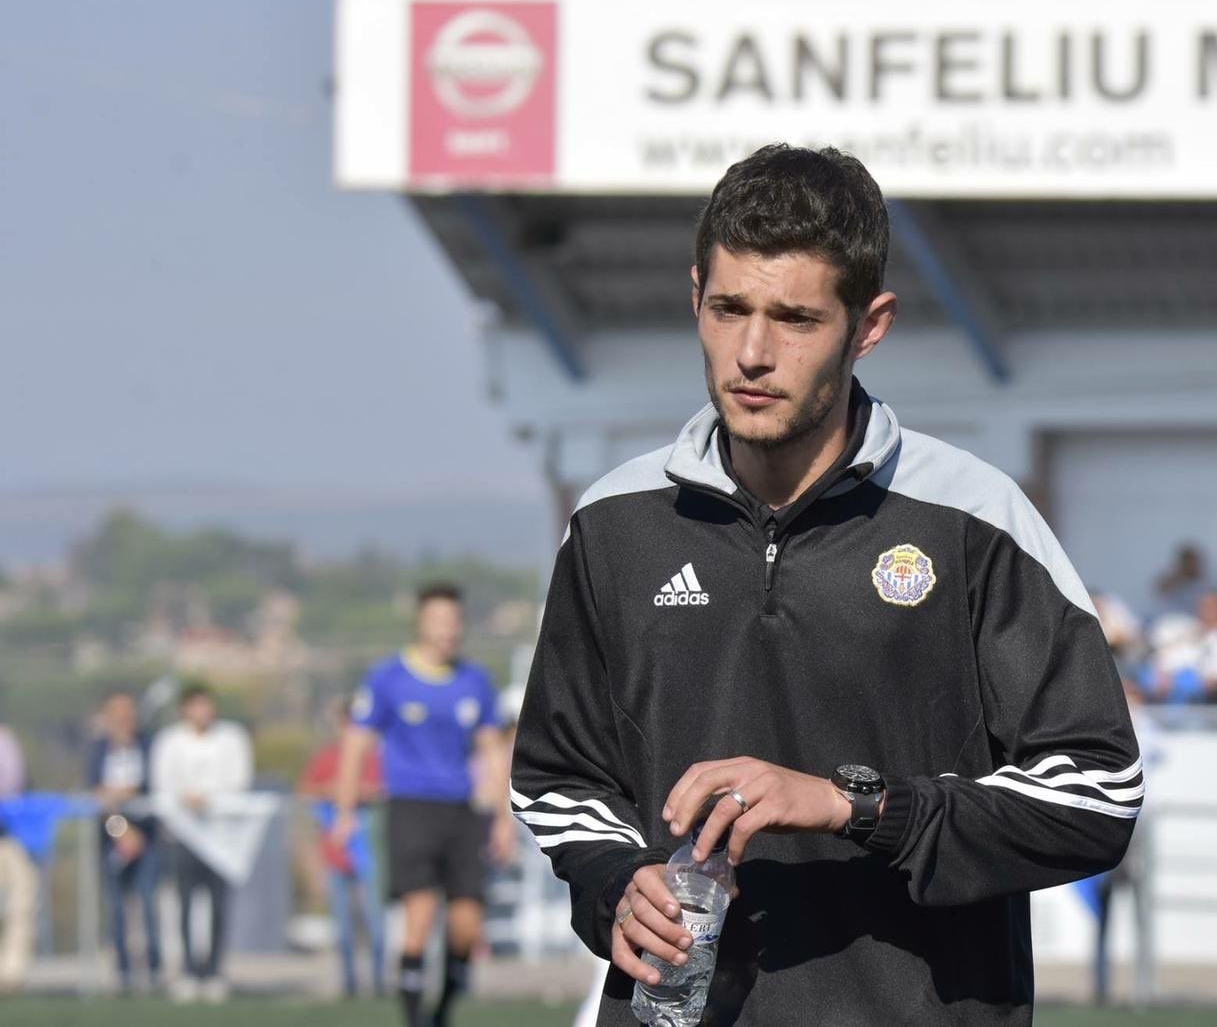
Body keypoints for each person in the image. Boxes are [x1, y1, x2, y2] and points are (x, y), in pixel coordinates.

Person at [511, 144, 1141, 1025]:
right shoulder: (615, 523)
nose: (752, 353)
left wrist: (852, 805)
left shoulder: (974, 520)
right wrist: (616, 882)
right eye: (728, 309)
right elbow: (560, 779)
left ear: (868, 325)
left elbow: (1097, 797)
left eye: (796, 319)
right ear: (695, 296)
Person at [332, 582, 516, 1027]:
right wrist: (344, 812)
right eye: (438, 621)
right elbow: (356, 746)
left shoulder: (475, 681)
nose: (447, 631)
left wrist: (505, 819)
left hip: (463, 813)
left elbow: (493, 751)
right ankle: (415, 1021)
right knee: (418, 915)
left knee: (466, 926)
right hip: (411, 808)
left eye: (454, 622)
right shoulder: (387, 678)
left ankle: (442, 1013)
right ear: (420, 623)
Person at [150, 681, 254, 1003]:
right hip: (183, 836)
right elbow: (162, 785)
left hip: (223, 838)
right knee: (183, 904)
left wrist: (209, 798)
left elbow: (239, 781)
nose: (202, 712)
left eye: (206, 705)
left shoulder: (232, 738)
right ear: (185, 709)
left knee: (219, 905)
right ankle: (188, 971)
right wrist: (185, 801)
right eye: (195, 705)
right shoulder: (168, 742)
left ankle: (214, 971)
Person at [299, 696, 385, 999]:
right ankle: (349, 982)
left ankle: (378, 981)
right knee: (343, 925)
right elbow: (308, 790)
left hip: (368, 851)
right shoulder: (326, 756)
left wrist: (354, 792)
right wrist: (334, 790)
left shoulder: (374, 757)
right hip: (335, 852)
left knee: (375, 921)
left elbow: (380, 790)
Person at [1092, 679, 1162, 1007]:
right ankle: (1101, 985)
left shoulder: (1146, 726)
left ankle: (1141, 989)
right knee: (1105, 911)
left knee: (1139, 910)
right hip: (1108, 825)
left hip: (1137, 829)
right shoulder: (1104, 723)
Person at [86, 692, 163, 993]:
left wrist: (134, 827)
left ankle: (154, 969)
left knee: (147, 901)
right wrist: (121, 831)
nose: (123, 719)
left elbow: (148, 789)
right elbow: (98, 794)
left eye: (127, 712)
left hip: (147, 839)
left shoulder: (148, 746)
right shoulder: (97, 750)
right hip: (112, 837)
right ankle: (124, 972)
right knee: (116, 906)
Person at [0, 724, 37, 993]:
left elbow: (12, 786)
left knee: (20, 906)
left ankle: (11, 974)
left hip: (10, 837)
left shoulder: (5, 740)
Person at [1152, 543, 1208, 619]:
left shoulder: (1205, 585)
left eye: (1194, 563)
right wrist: (1179, 577)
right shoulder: (1170, 581)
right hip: (1172, 621)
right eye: (1188, 563)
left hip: (1196, 622)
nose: (1191, 567)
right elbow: (1162, 589)